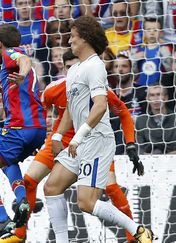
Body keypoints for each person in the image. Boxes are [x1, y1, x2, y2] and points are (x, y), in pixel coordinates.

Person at [0, 50, 142, 243]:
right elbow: (37, 111)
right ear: (64, 68)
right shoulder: (54, 89)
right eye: (69, 67)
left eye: (78, 66)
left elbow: (123, 112)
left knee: (111, 188)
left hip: (94, 141)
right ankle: (19, 234)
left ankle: (135, 237)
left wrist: (130, 143)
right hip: (60, 141)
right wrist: (34, 138)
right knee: (30, 181)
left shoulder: (99, 89)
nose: (74, 70)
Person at [42, 16, 153, 243]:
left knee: (86, 202)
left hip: (96, 141)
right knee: (52, 187)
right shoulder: (74, 71)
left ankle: (138, 230)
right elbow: (72, 110)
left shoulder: (95, 67)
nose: (69, 40)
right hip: (80, 142)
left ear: (84, 37)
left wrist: (78, 137)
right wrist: (58, 135)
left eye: (73, 36)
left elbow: (101, 106)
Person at [0, 24, 46, 243]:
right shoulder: (22, 63)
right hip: (37, 129)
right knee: (6, 161)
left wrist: (21, 75)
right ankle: (22, 201)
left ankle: (2, 218)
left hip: (18, 128)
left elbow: (24, 60)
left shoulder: (10, 54)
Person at [136, 85, 176, 154]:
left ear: (166, 98)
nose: (156, 99)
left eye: (159, 94)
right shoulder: (141, 120)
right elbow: (139, 148)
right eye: (152, 95)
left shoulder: (174, 118)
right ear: (147, 99)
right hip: (148, 161)